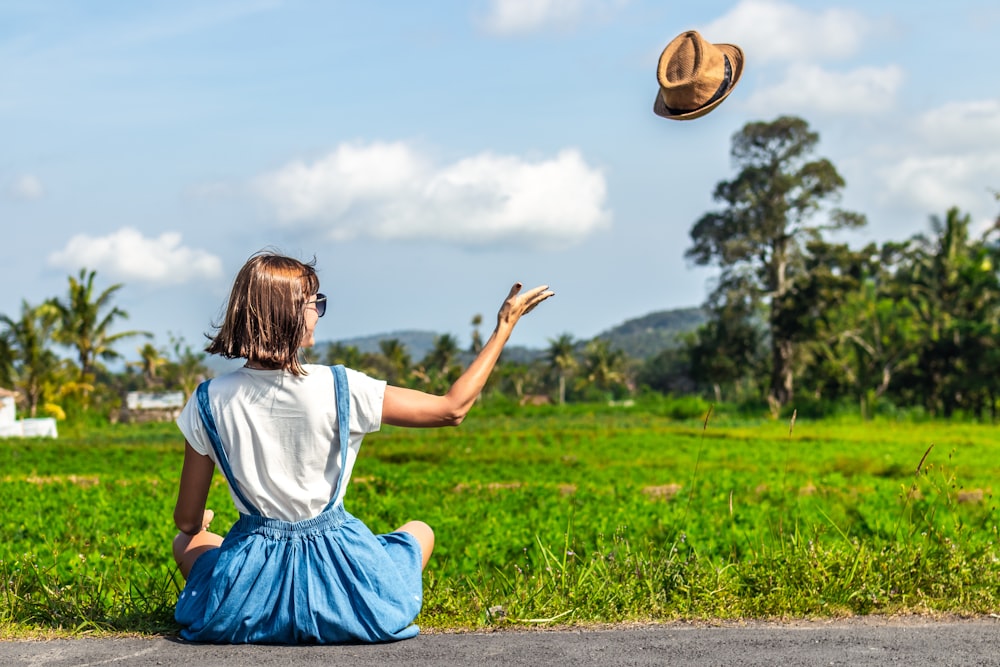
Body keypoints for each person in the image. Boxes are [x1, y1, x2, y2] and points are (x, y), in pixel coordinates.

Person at [171, 251, 553, 644]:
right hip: (345, 591)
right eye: (313, 304)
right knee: (419, 531)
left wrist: (200, 526)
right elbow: (451, 409)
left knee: (190, 541)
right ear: (287, 313)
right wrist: (503, 328)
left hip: (247, 603)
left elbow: (186, 520)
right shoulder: (342, 387)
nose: (317, 313)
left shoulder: (207, 400)